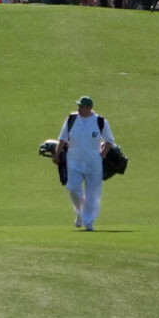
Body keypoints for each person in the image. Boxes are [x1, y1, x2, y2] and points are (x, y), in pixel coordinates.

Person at [55, 95, 114, 231]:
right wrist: (57, 154)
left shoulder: (100, 121)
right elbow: (62, 138)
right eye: (79, 106)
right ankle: (81, 213)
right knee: (73, 188)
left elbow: (109, 141)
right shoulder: (72, 119)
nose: (79, 108)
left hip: (93, 162)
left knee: (93, 194)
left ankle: (89, 222)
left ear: (89, 108)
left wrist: (102, 155)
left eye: (81, 106)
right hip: (73, 160)